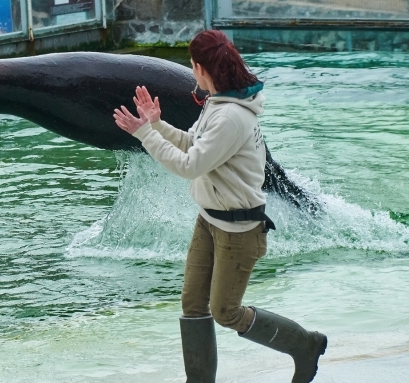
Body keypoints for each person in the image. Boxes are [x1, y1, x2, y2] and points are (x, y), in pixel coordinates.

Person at [113, 29, 327, 383]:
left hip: (239, 229)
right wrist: (156, 125)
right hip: (209, 220)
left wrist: (145, 136)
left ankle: (305, 345)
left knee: (225, 311)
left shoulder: (231, 116)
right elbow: (193, 144)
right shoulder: (217, 102)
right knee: (193, 305)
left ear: (199, 68)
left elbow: (190, 166)